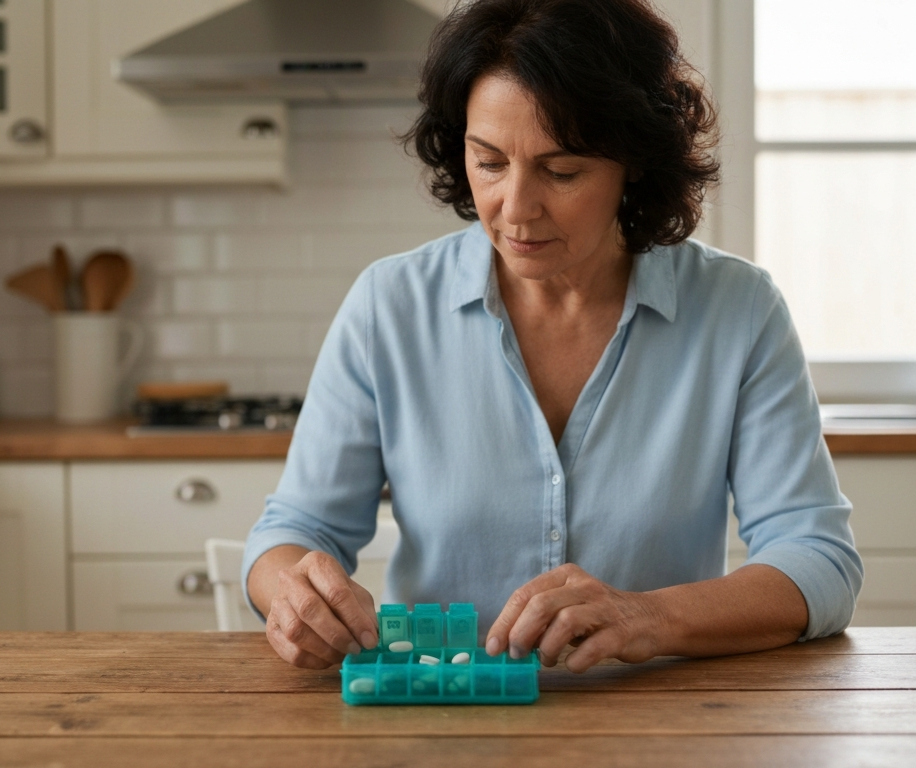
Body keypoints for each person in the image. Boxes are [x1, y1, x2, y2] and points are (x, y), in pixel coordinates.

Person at [243, 0, 862, 672]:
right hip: (441, 724)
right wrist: (295, 594)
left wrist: (647, 617)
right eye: (488, 162)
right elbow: (294, 533)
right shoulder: (387, 307)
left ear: (634, 164)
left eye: (561, 171)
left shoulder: (738, 311)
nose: (515, 207)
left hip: (658, 726)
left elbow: (817, 561)